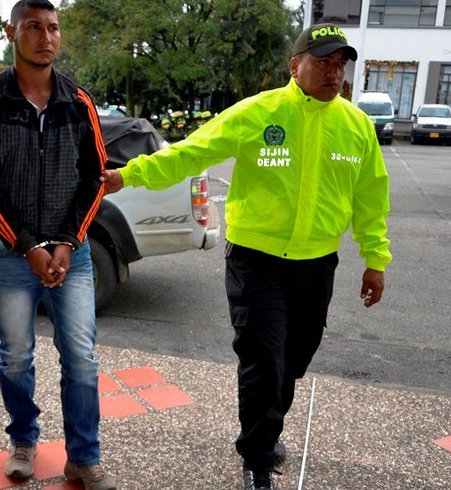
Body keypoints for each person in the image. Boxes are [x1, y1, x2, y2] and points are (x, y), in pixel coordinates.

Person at [101, 24, 392, 490]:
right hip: (257, 262)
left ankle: (266, 426)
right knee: (264, 361)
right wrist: (128, 176)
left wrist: (375, 259)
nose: (334, 73)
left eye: (341, 65)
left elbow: (371, 199)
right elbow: (190, 152)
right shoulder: (258, 112)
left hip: (317, 264)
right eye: (323, 62)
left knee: (294, 360)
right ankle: (258, 457)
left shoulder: (355, 126)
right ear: (295, 65)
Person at [0, 2, 117, 489]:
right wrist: (27, 246)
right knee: (16, 355)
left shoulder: (79, 101)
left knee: (82, 357)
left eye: (52, 28)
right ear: (12, 33)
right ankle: (24, 439)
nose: (45, 37)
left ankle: (83, 457)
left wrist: (68, 241)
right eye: (34, 27)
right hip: (9, 255)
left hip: (74, 254)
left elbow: (95, 179)